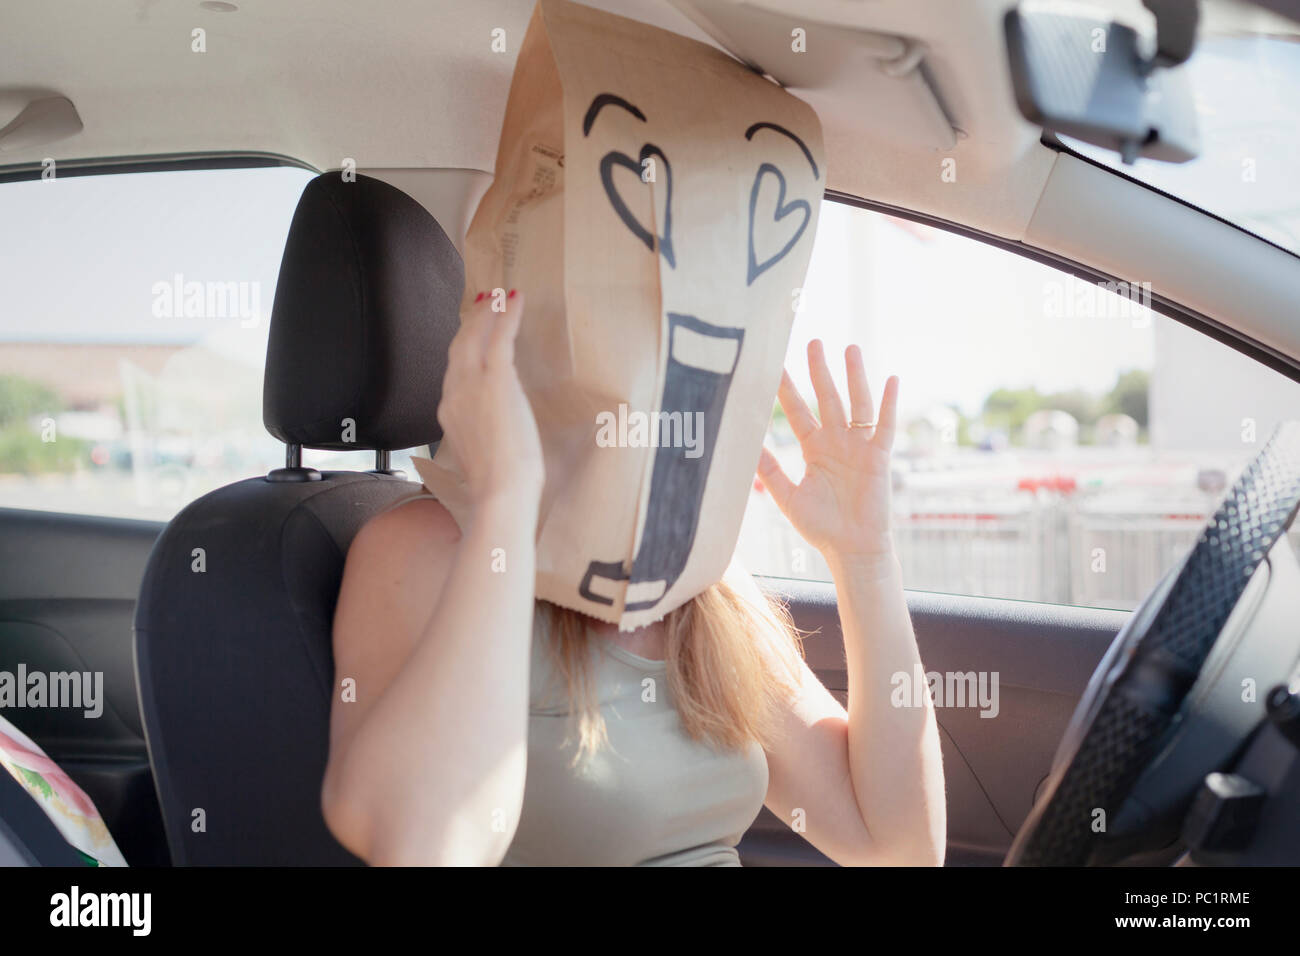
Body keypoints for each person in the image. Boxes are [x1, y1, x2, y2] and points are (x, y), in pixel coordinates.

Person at [321, 290, 946, 866]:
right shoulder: (422, 549)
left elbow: (897, 848)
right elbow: (416, 846)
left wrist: (865, 556)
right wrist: (506, 503)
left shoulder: (704, 574)